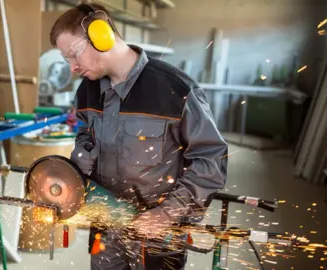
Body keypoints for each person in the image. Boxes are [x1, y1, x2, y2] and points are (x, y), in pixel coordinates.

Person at [50, 2, 228, 269]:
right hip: (106, 227)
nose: (72, 67)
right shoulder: (87, 91)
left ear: (102, 36)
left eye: (74, 53)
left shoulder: (174, 90)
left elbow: (211, 160)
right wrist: (80, 162)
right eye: (66, 58)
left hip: (157, 236)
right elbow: (85, 134)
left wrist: (167, 214)